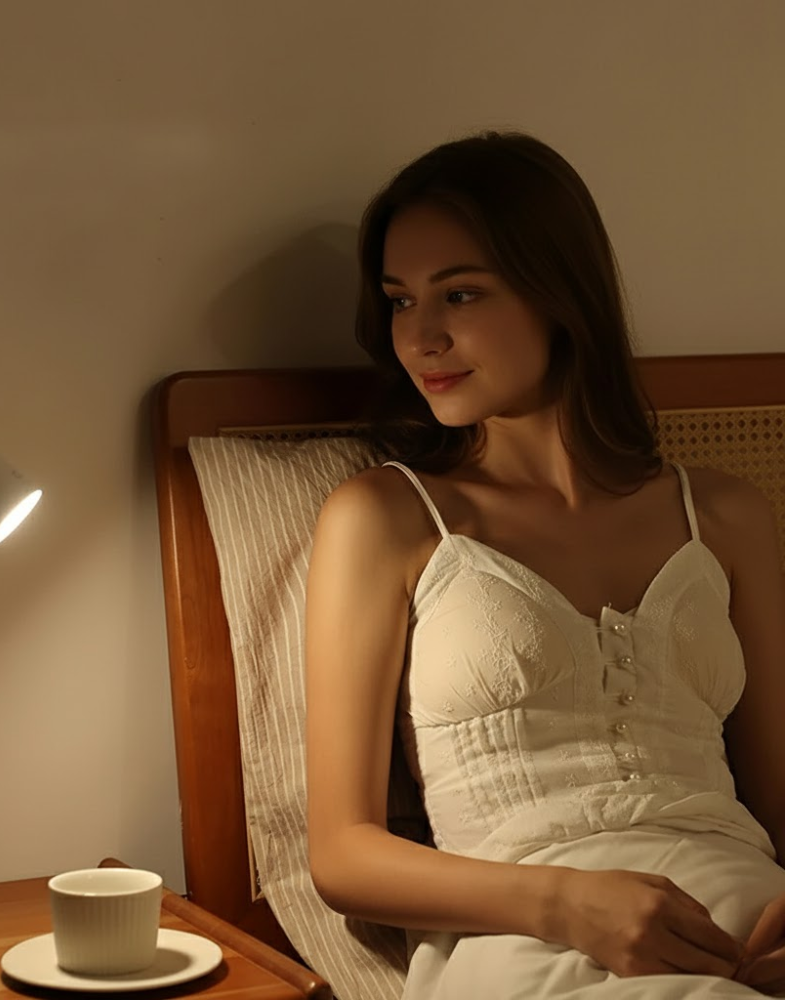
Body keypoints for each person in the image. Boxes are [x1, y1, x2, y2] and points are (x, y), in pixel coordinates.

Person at [304, 132, 785, 998]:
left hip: (746, 913)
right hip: (530, 936)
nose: (422, 336)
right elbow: (342, 853)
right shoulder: (385, 518)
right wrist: (566, 903)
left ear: (559, 294)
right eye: (400, 300)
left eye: (460, 293)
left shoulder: (725, 514)